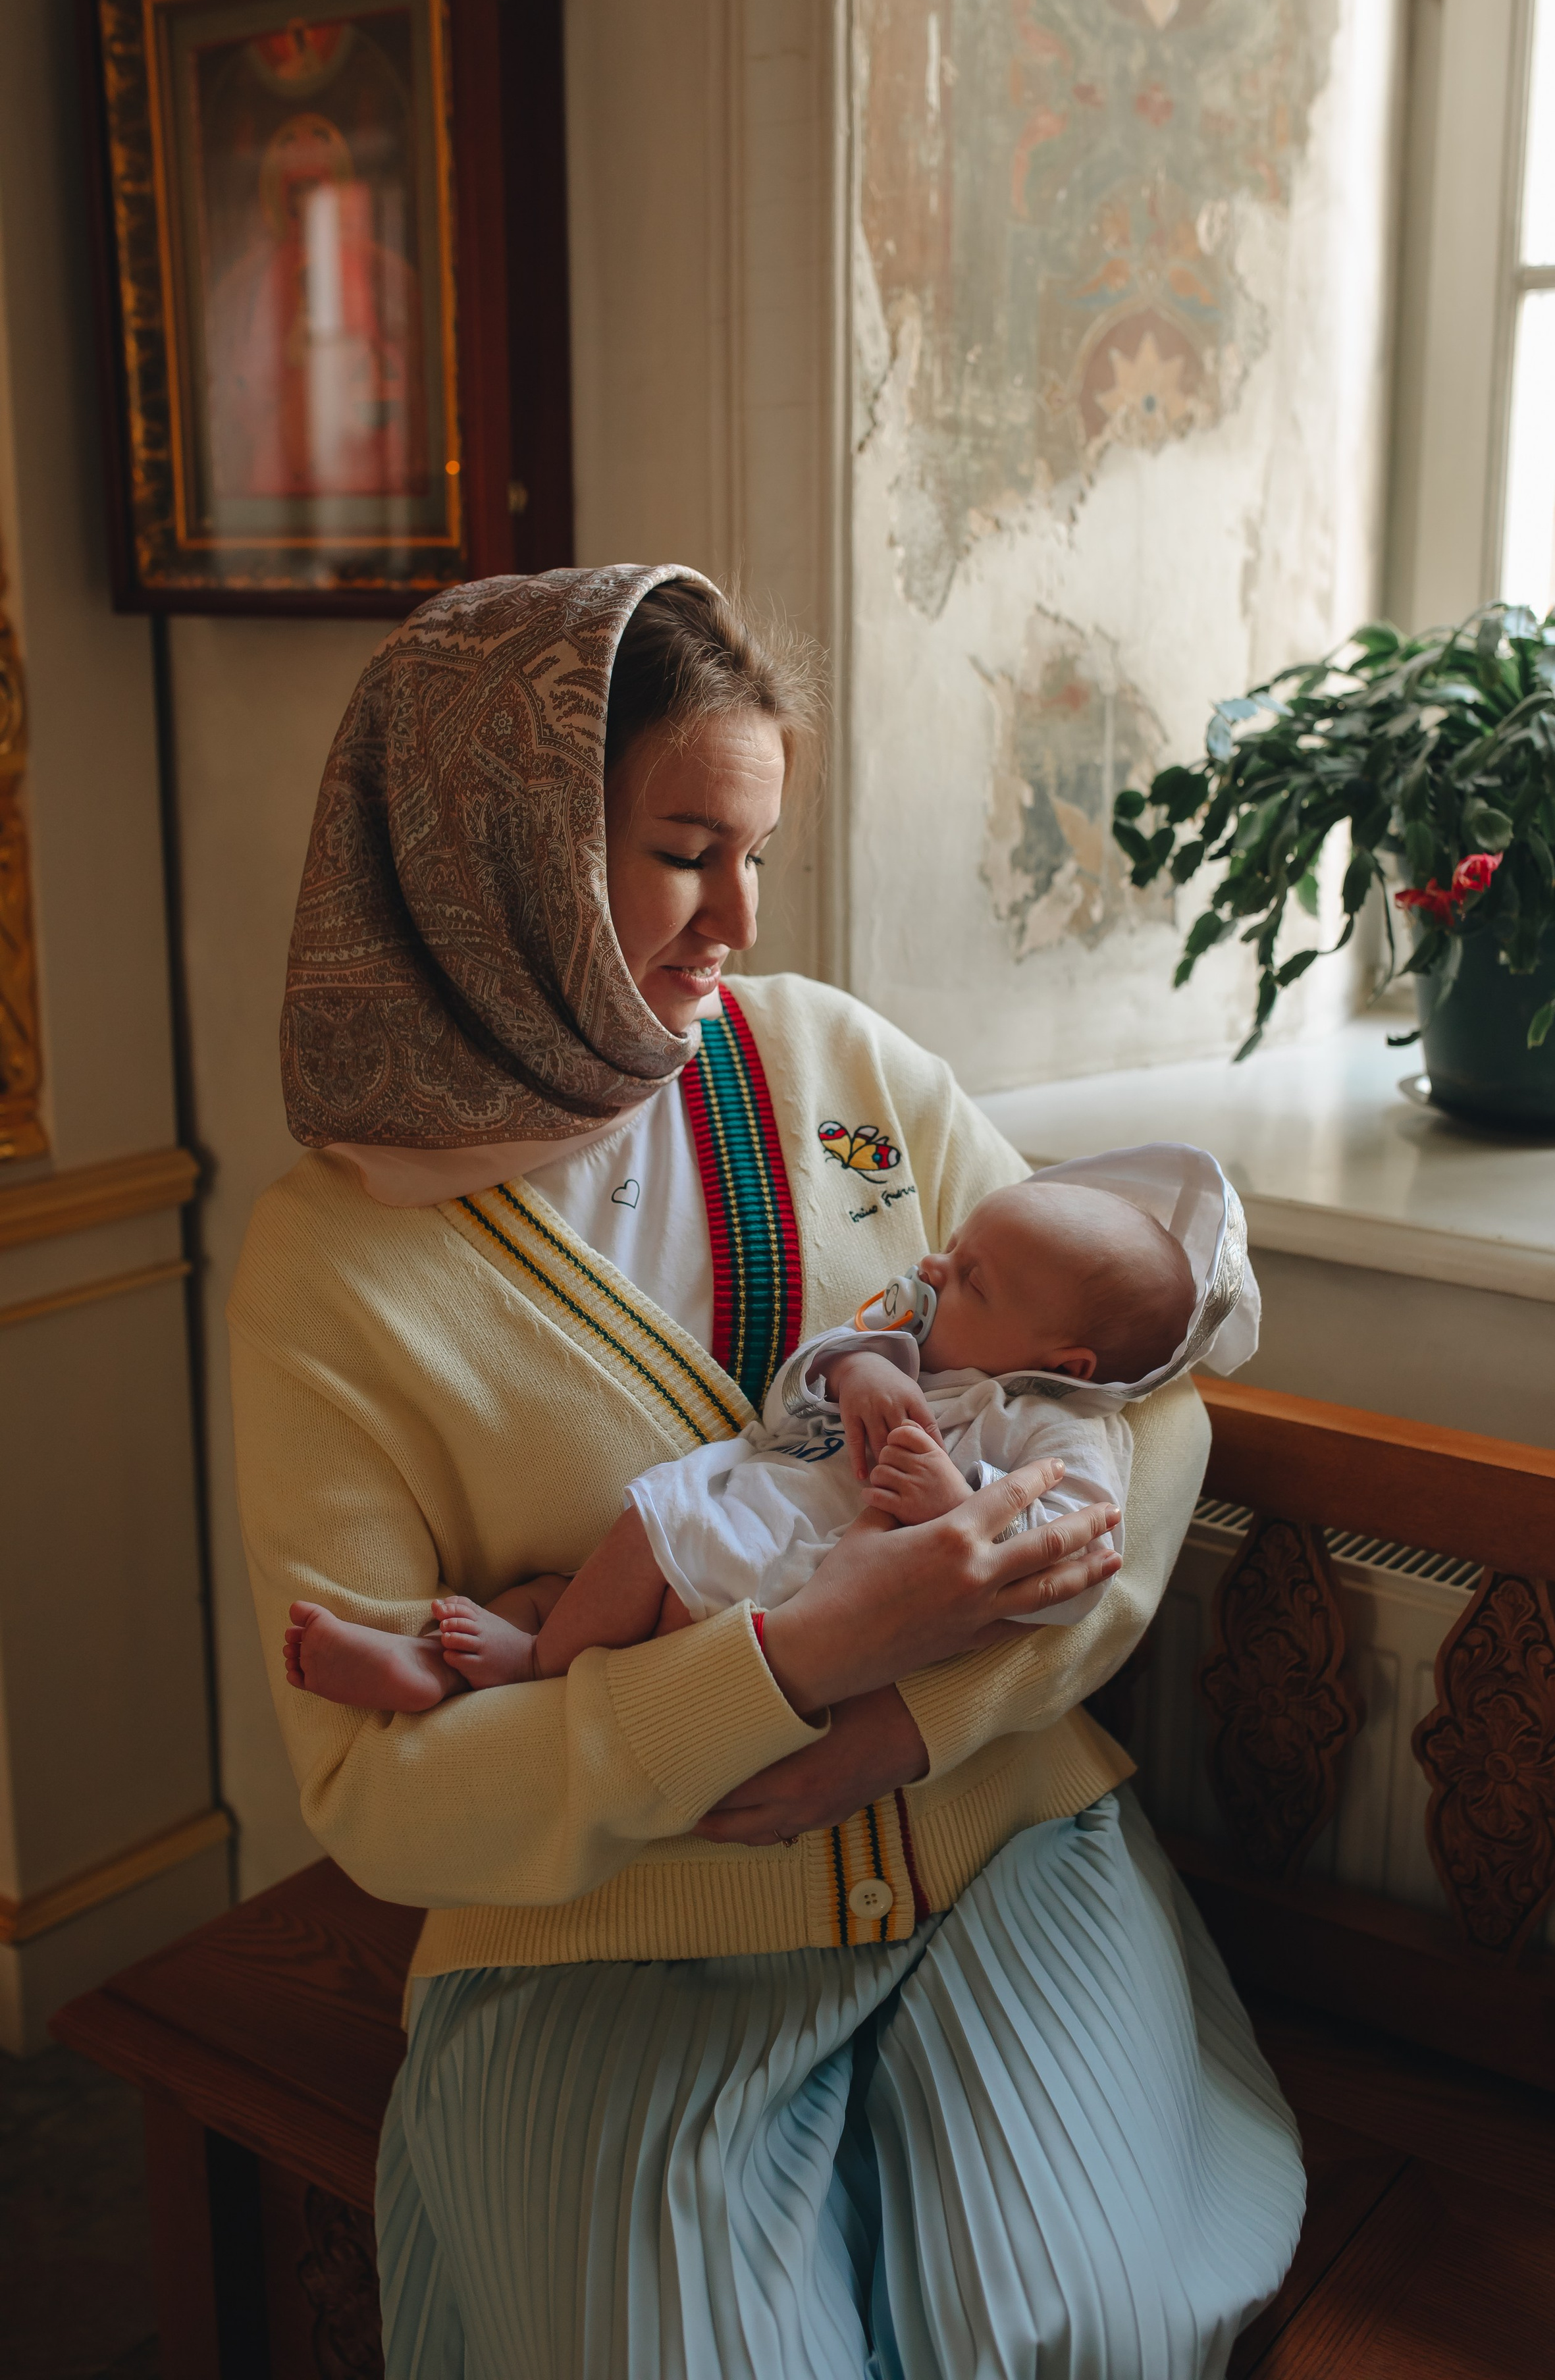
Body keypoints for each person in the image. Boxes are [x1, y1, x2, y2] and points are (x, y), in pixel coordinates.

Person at [232, 565, 1304, 2380]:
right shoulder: (332, 1275)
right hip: (611, 1940)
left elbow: (1151, 1409)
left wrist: (924, 1725)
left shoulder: (836, 1068)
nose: (737, 913)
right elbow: (381, 1797)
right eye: (679, 850)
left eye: (756, 848)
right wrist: (786, 1671)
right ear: (497, 853)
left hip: (996, 1856)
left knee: (1083, 2335)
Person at [280, 1151, 1253, 1708]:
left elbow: (1076, 1569)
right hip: (743, 1527)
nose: (933, 1265)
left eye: (973, 1277)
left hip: (780, 1580)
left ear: (1069, 1361)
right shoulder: (910, 1337)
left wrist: (959, 1512)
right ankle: (452, 1666)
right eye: (953, 1248)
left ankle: (533, 1667)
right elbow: (787, 1404)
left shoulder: (1059, 1430)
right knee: (565, 1587)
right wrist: (858, 1364)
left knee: (647, 1537)